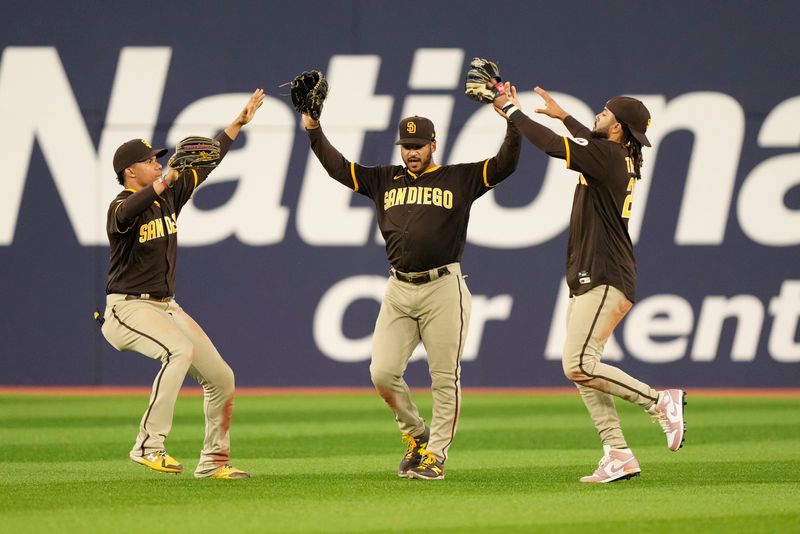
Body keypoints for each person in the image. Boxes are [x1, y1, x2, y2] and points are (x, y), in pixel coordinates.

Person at [300, 101, 521, 480]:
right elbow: (339, 169)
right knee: (382, 372)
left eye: (418, 145)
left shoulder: (459, 179)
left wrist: (513, 126)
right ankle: (417, 434)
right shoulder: (385, 178)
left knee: (443, 377)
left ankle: (436, 454)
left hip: (443, 288)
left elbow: (504, 165)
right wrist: (313, 129)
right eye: (406, 145)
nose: (411, 152)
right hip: (399, 288)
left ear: (433, 145)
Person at [491, 83, 685, 483]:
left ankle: (658, 400)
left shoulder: (607, 156)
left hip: (605, 275)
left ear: (618, 128)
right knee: (584, 369)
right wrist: (565, 116)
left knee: (576, 363)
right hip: (594, 274)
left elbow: (550, 146)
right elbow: (589, 140)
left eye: (605, 112)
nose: (598, 115)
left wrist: (514, 112)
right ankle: (618, 452)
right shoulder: (616, 154)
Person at [100, 88, 265, 479]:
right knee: (178, 350)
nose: (157, 164)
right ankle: (147, 445)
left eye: (157, 159)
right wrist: (164, 181)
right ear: (130, 173)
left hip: (165, 306)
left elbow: (206, 162)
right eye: (148, 161)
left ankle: (213, 462)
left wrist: (237, 124)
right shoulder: (120, 207)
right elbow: (128, 211)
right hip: (126, 308)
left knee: (222, 378)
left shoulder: (167, 196)